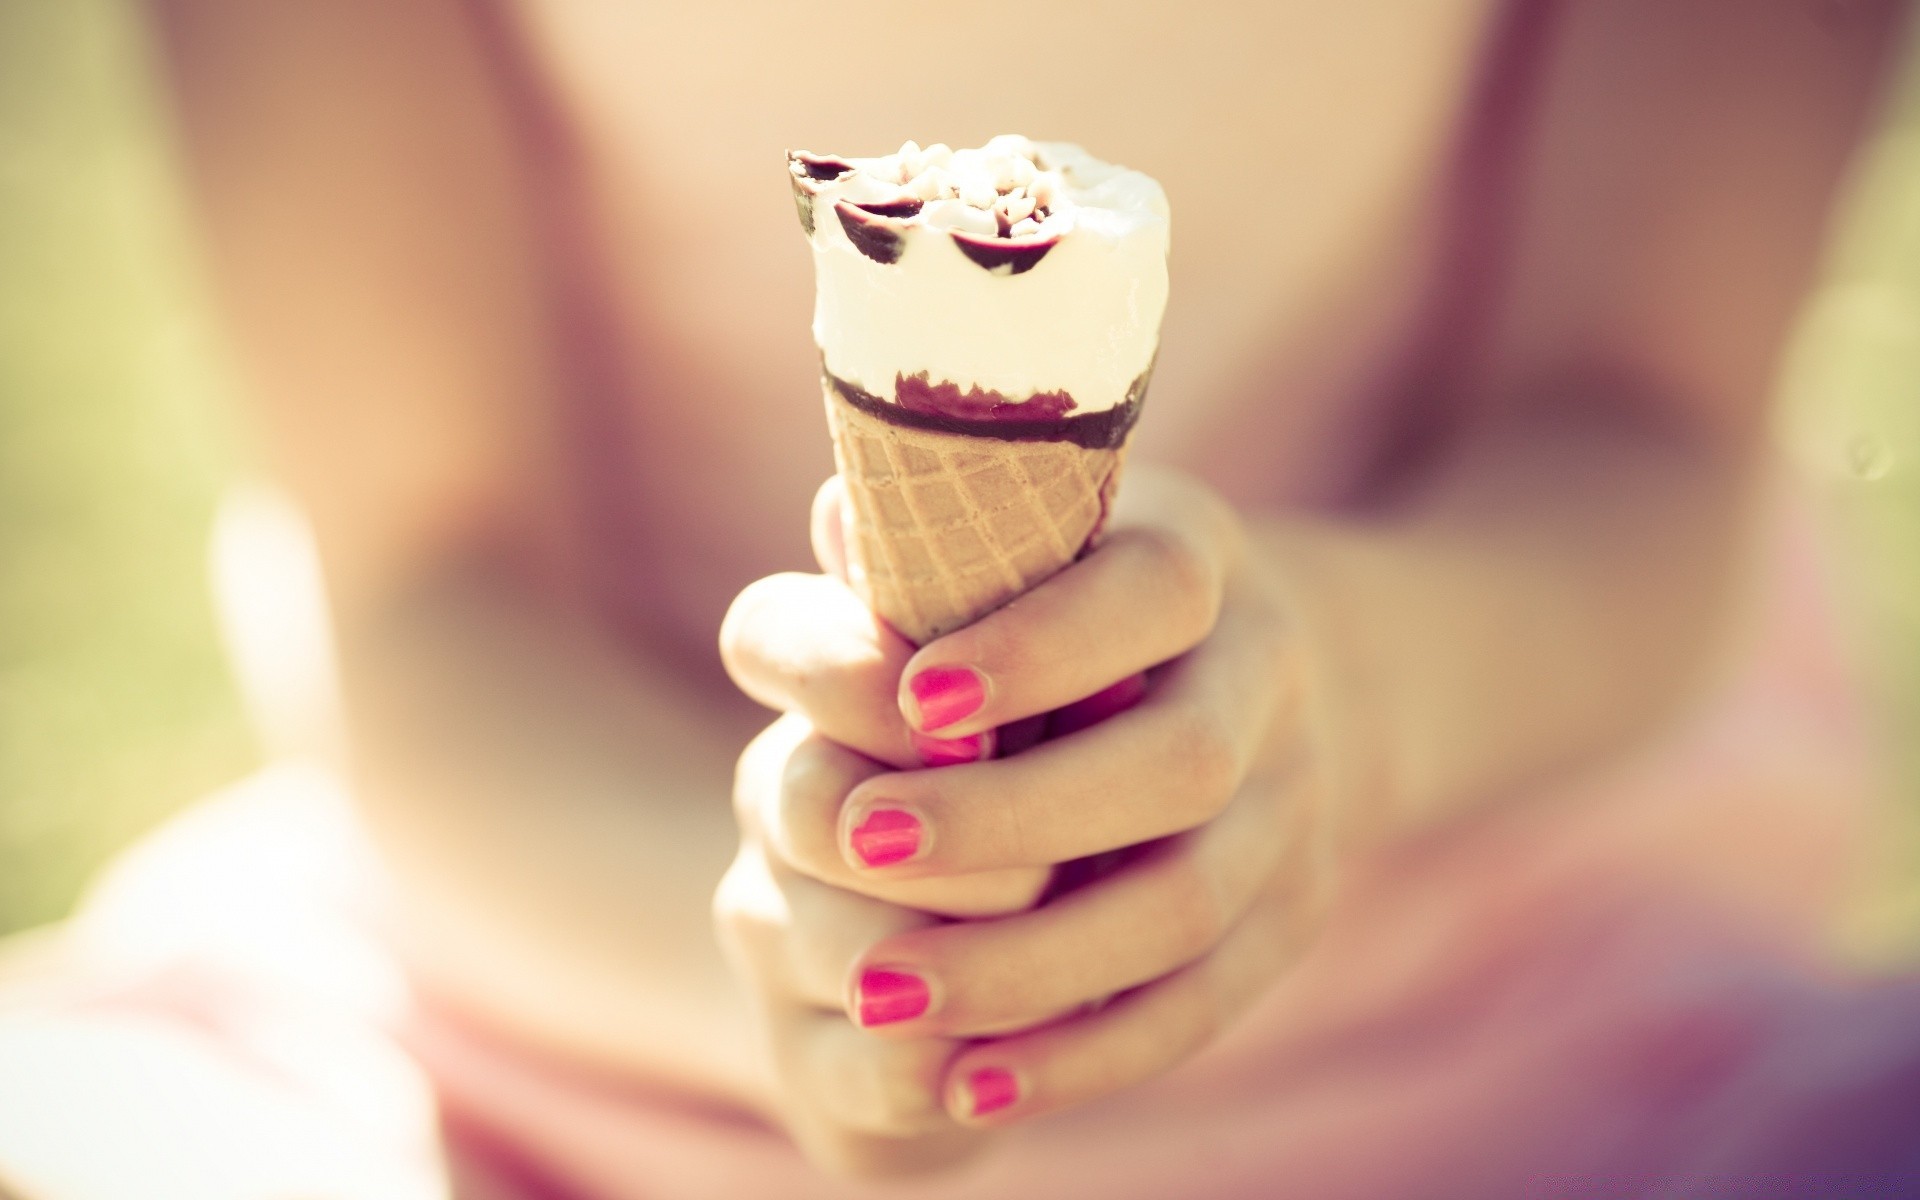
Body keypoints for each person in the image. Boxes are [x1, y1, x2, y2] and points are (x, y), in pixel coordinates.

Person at [0, 1, 1911, 1196]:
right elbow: (434, 582)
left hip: (1528, 1010)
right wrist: (802, 990)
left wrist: (1340, 708)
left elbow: (1639, 433)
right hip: (560, 993)